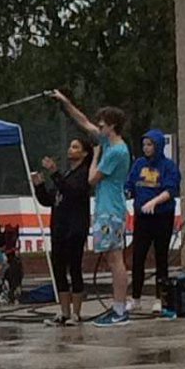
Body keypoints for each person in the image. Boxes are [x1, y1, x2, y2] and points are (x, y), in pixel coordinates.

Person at [52, 92, 131, 327]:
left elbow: (92, 179)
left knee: (116, 259)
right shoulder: (108, 142)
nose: (99, 126)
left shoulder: (116, 151)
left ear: (113, 126)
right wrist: (65, 102)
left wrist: (95, 156)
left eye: (103, 124)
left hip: (111, 208)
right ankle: (118, 307)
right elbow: (83, 121)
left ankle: (120, 309)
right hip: (106, 208)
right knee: (111, 257)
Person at [32, 138, 93, 325]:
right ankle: (64, 312)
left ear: (84, 153)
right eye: (70, 146)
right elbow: (51, 199)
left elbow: (72, 192)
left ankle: (76, 313)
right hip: (59, 227)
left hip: (75, 227)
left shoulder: (84, 174)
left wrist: (54, 172)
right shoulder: (67, 174)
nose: (70, 150)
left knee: (74, 268)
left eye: (75, 147)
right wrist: (39, 186)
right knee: (59, 270)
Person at [126, 128, 181, 314]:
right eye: (144, 144)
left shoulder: (168, 166)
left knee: (161, 257)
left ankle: (160, 299)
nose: (146, 148)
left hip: (162, 217)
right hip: (142, 218)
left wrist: (154, 202)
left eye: (150, 145)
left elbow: (171, 189)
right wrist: (126, 193)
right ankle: (136, 298)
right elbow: (130, 184)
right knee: (138, 257)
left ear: (158, 146)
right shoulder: (139, 164)